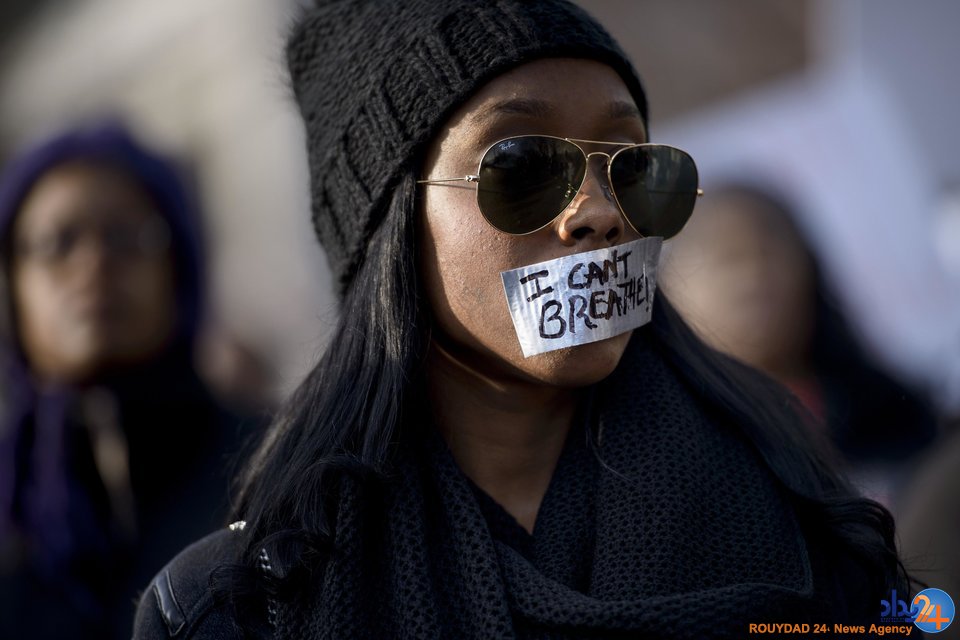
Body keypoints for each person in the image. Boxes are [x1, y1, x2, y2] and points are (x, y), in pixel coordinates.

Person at [134, 2, 914, 638]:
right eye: (521, 166)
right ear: (390, 231)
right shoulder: (239, 606)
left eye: (634, 165)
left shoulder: (806, 508)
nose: (600, 214)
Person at [0, 122, 245, 639]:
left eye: (126, 236)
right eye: (58, 242)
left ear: (178, 270)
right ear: (12, 289)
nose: (94, 264)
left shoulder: (276, 472)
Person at [660, 183, 938, 505]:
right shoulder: (671, 452)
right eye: (726, 258)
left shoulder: (891, 414)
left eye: (769, 252)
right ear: (669, 289)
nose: (752, 277)